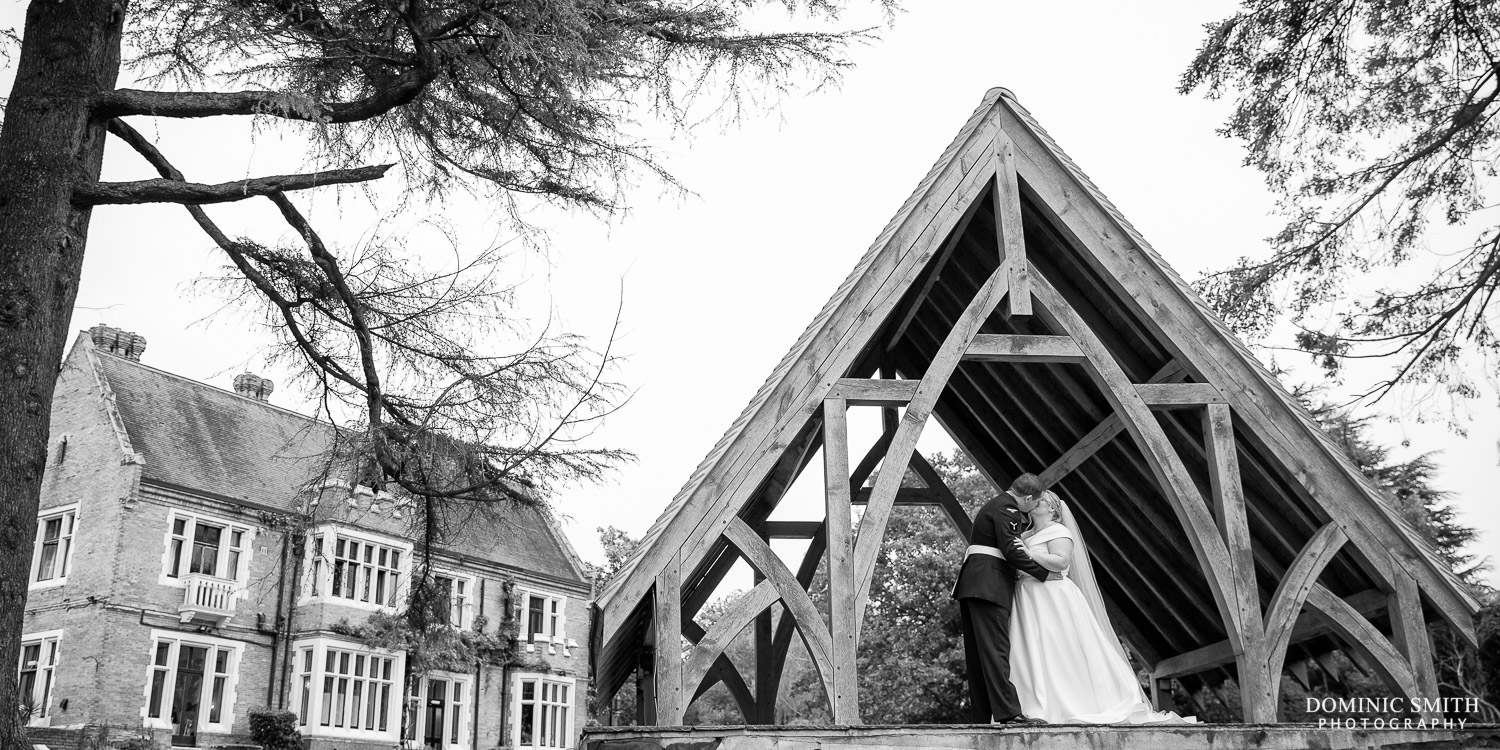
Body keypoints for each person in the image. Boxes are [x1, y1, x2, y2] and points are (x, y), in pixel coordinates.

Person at [1009, 490, 1193, 724]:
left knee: (1059, 649)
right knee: (1030, 651)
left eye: (1040, 500)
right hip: (1026, 597)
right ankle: (1031, 705)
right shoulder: (1024, 534)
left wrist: (1029, 554)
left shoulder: (1058, 531)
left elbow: (1061, 562)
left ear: (1053, 508)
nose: (1034, 502)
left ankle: (1068, 703)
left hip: (1052, 598)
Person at [951, 472, 1051, 726]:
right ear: (1027, 498)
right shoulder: (1008, 509)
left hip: (974, 583)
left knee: (979, 655)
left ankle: (982, 717)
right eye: (1035, 502)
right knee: (996, 650)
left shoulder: (995, 505)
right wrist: (1043, 573)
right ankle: (1009, 713)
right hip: (990, 585)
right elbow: (1011, 549)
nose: (1033, 508)